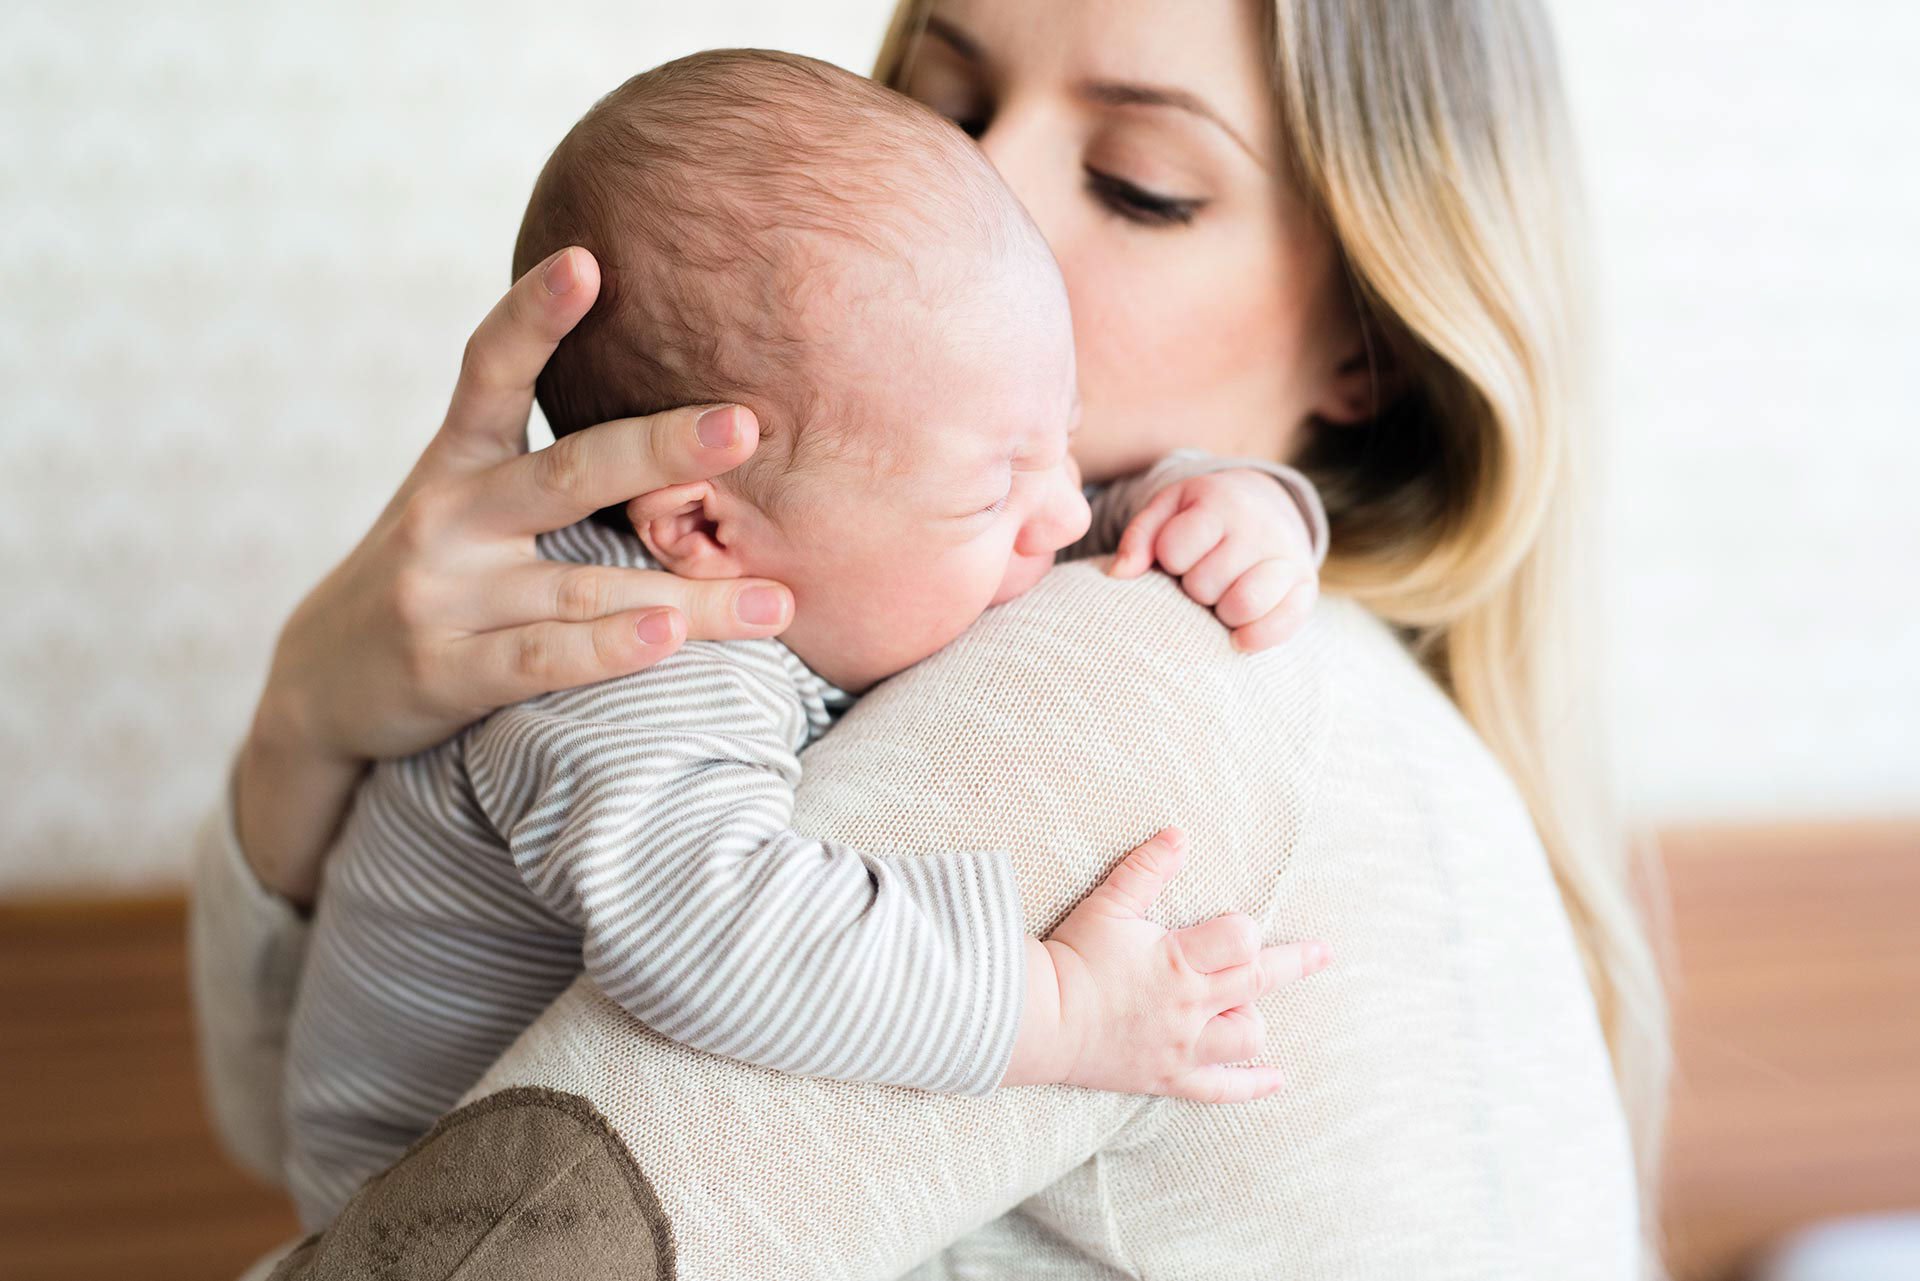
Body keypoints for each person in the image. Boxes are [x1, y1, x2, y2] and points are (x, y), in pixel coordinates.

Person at [189, 1, 1669, 1276]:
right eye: (946, 99)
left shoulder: (1131, 672)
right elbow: (329, 1135)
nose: (978, 185)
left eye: (1138, 182)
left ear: (1369, 342)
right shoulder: (711, 643)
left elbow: (470, 1218)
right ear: (705, 519)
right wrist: (315, 714)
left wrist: (1064, 1008)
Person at [283, 48, 1331, 1230]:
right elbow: (718, 935)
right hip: (434, 1198)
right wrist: (1061, 1006)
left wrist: (1227, 505)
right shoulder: (626, 663)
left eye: (1067, 439)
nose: (1065, 510)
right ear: (702, 526)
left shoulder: (862, 505)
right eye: (994, 491)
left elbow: (1048, 509)